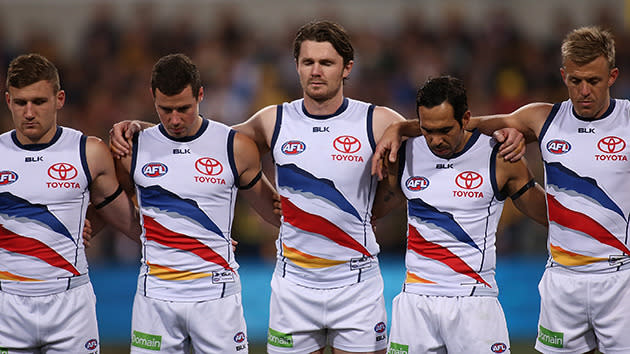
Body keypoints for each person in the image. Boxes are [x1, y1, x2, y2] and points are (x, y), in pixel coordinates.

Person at [372, 26, 630, 354]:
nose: (584, 91)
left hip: (620, 273)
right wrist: (400, 128)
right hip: (562, 276)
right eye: (575, 80)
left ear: (612, 76)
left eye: (593, 81)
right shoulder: (542, 119)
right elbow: (470, 124)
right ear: (564, 75)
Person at [110, 53, 281, 353]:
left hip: (217, 295)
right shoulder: (132, 149)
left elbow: (274, 210)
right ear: (152, 97)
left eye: (184, 109)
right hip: (156, 298)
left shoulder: (235, 147)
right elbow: (108, 202)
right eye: (165, 110)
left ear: (201, 95)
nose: (175, 119)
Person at [372, 75, 547, 354]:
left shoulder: (499, 156)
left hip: (474, 300)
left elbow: (550, 216)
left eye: (444, 130)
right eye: (427, 130)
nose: (435, 140)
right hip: (416, 300)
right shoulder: (405, 155)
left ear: (466, 118)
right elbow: (372, 212)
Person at [0, 53, 141, 353]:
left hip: (71, 306)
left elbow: (128, 221)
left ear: (59, 99)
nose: (28, 112)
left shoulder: (88, 152)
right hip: (8, 303)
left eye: (39, 102)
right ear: (8, 100)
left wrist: (203, 238)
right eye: (20, 102)